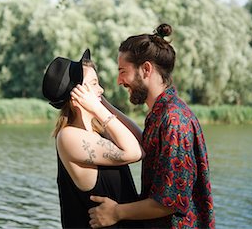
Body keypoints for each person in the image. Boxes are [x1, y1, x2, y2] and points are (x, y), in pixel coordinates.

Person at [88, 24, 215, 228]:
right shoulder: (159, 113)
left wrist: (116, 212)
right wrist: (98, 102)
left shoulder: (173, 120)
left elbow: (171, 201)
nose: (119, 81)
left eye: (123, 71)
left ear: (146, 69)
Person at [42, 49, 145, 228]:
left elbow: (142, 141)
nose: (102, 89)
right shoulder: (68, 137)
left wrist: (102, 103)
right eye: (95, 84)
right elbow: (134, 152)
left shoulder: (99, 130)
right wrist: (98, 109)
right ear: (77, 94)